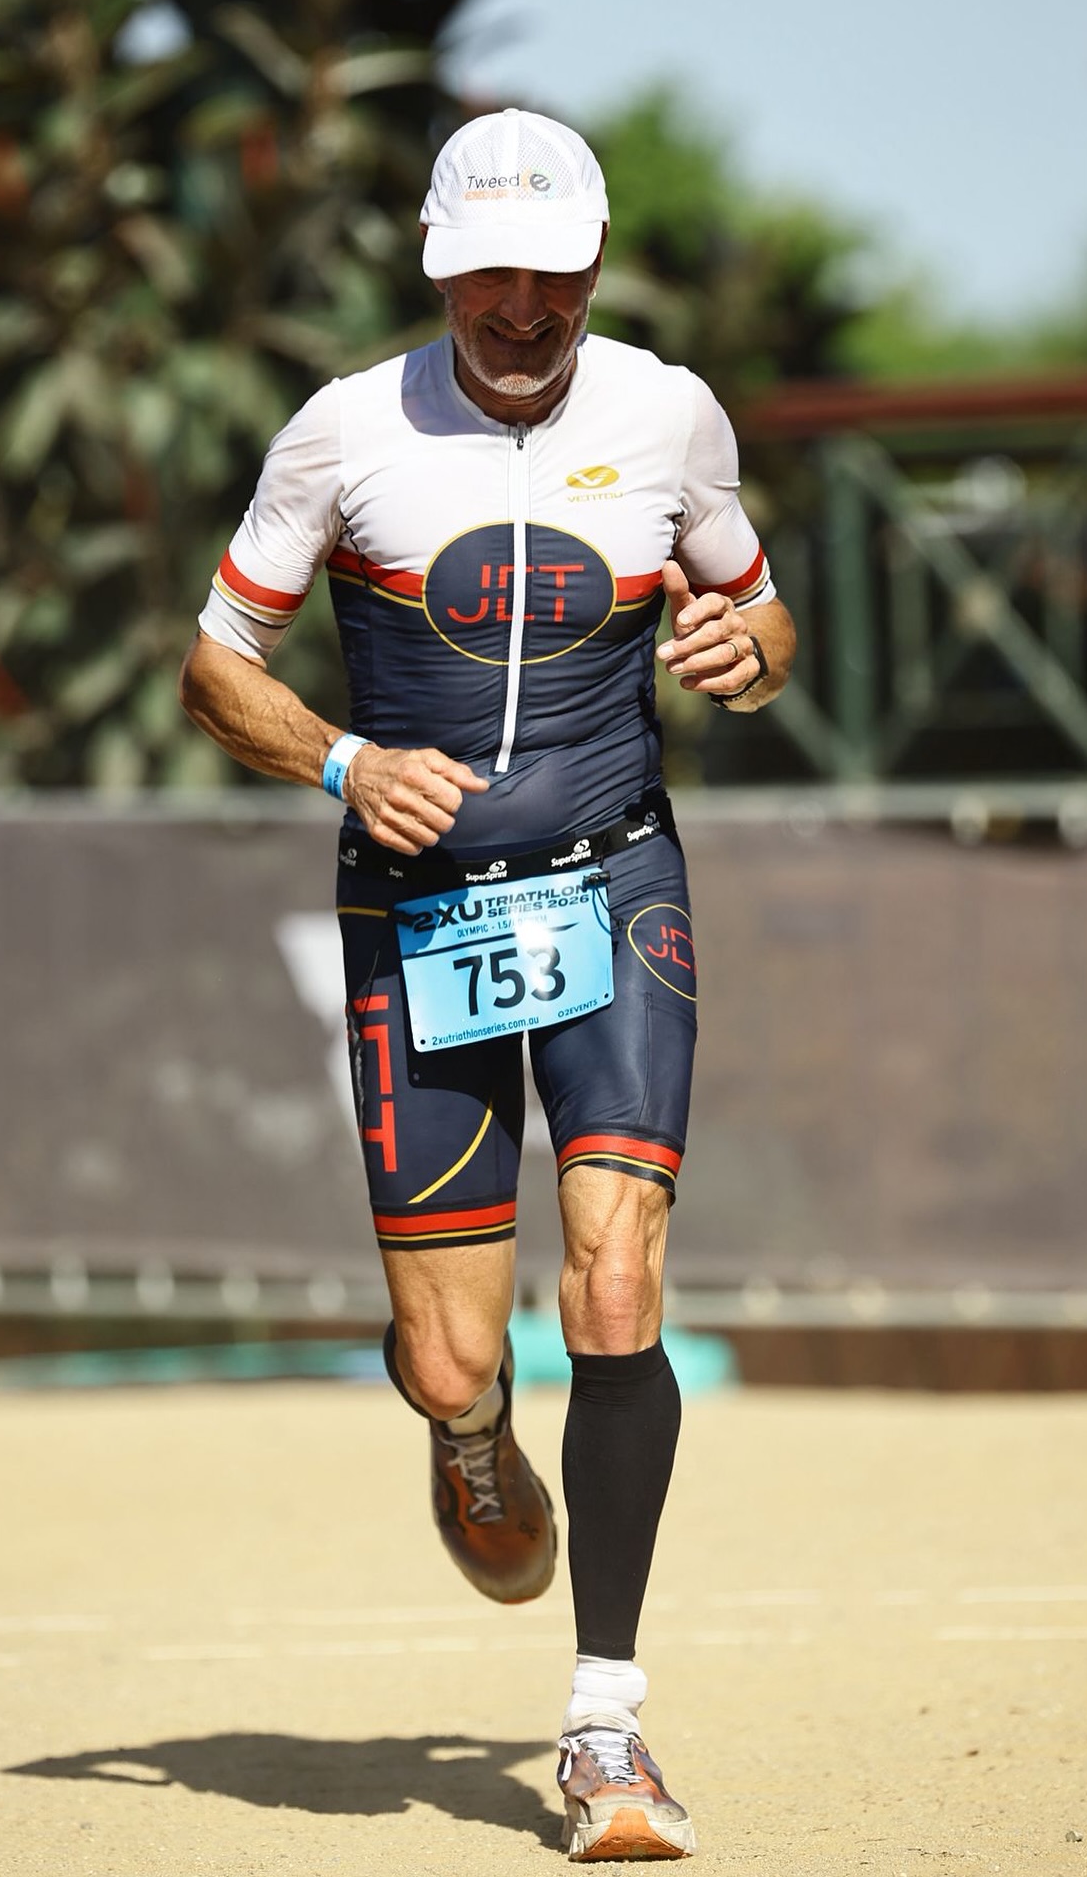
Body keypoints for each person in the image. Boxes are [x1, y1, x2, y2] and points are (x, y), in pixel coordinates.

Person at [180, 106, 795, 1862]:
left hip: (615, 880)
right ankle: (466, 1434)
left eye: (551, 276)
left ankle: (606, 1730)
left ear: (594, 266)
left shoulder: (671, 414)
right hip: (418, 908)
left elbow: (764, 623)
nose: (521, 309)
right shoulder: (346, 430)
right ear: (439, 269)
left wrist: (747, 648)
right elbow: (216, 663)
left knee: (615, 1274)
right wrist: (341, 763)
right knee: (456, 1354)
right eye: (487, 278)